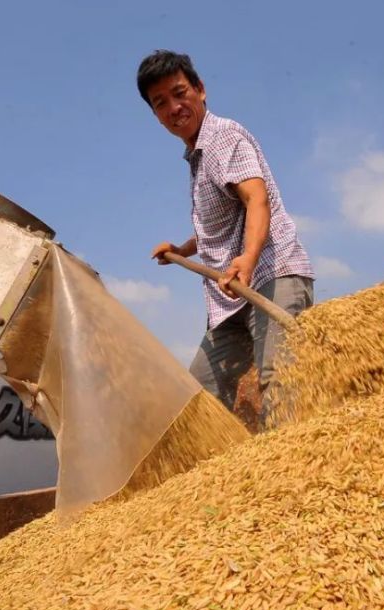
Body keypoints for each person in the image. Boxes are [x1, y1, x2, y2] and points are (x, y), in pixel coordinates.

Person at [140, 50, 314, 428]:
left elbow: (256, 199)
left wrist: (248, 259)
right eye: (160, 103)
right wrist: (181, 250)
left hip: (271, 276)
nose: (174, 107)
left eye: (179, 92)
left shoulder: (223, 138)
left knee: (283, 388)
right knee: (199, 397)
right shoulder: (198, 155)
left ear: (201, 90)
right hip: (229, 297)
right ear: (154, 114)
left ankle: (297, 480)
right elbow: (219, 225)